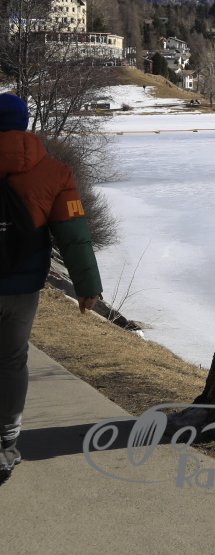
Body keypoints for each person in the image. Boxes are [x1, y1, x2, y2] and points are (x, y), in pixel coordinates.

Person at [0, 93, 102, 487]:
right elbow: (74, 235)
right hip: (23, 286)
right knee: (12, 361)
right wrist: (87, 286)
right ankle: (6, 443)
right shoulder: (55, 172)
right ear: (25, 124)